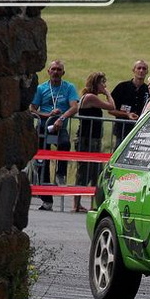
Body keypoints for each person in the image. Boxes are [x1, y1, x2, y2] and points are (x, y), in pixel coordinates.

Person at [29, 59, 80, 211]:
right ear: (49, 71)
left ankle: (61, 173)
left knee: (65, 144)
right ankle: (47, 200)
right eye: (54, 69)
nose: (56, 72)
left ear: (63, 73)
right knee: (41, 162)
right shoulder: (41, 88)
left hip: (59, 127)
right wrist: (46, 114)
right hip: (43, 126)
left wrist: (61, 118)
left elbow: (74, 107)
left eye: (59, 70)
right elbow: (32, 108)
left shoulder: (69, 87)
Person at [73, 72, 116, 213]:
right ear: (95, 84)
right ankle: (77, 204)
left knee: (95, 173)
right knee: (84, 171)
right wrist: (108, 93)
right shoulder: (91, 97)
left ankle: (91, 203)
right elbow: (111, 106)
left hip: (92, 139)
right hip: (88, 140)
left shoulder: (91, 98)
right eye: (102, 83)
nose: (104, 86)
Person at [110, 60, 148, 148]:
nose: (141, 71)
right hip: (122, 131)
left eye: (144, 68)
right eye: (139, 68)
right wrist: (127, 115)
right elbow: (111, 110)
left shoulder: (148, 90)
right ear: (133, 70)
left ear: (147, 72)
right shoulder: (122, 87)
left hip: (141, 132)